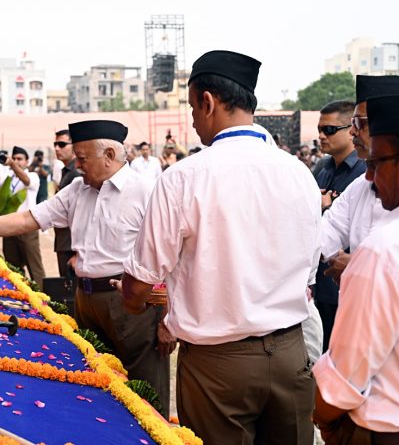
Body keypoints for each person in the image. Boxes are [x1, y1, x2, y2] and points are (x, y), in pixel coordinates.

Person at [120, 50, 320, 444]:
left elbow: (140, 283)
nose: (194, 122)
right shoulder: (300, 174)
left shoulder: (184, 178)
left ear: (208, 102)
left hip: (218, 366)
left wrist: (133, 298)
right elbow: (308, 270)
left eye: (193, 109)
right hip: (290, 353)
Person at [0, 120, 170, 416]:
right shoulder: (77, 190)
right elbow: (27, 220)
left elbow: (169, 256)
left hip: (130, 303)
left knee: (146, 393)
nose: (78, 165)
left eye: (83, 158)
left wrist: (166, 318)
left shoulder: (146, 191)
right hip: (85, 302)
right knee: (97, 389)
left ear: (110, 155)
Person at [313, 94, 399, 445]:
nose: (370, 178)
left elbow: (341, 383)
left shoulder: (388, 248)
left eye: (376, 164)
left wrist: (327, 421)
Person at [321, 75, 399, 285]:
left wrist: (360, 268)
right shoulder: (360, 187)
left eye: (360, 123)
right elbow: (322, 237)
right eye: (352, 123)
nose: (352, 131)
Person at [313, 100, 367, 352]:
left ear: (350, 130)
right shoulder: (321, 170)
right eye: (320, 130)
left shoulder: (366, 173)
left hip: (354, 282)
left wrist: (324, 207)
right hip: (322, 282)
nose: (322, 136)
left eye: (330, 130)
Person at [0, 146, 45, 289]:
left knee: (35, 267)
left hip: (27, 228)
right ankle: (20, 293)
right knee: (13, 266)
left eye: (19, 159)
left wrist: (12, 165)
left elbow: (26, 180)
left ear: (27, 162)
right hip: (9, 226)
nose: (16, 161)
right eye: (14, 158)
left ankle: (44, 299)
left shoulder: (33, 176)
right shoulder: (10, 177)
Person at [52, 129, 81, 278]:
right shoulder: (67, 172)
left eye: (62, 144)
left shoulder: (77, 173)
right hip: (64, 241)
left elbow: (83, 214)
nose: (57, 148)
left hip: (71, 245)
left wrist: (78, 252)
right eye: (55, 144)